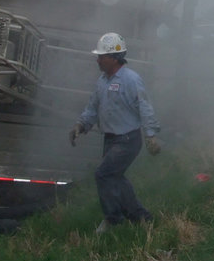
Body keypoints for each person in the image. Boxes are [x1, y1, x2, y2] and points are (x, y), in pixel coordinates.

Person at [69, 32, 162, 233]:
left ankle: (113, 220)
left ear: (114, 58)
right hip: (111, 139)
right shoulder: (102, 81)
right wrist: (81, 125)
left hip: (128, 139)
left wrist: (151, 135)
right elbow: (93, 108)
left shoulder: (131, 80)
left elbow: (144, 107)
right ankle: (140, 217)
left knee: (103, 174)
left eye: (101, 56)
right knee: (115, 177)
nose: (98, 60)